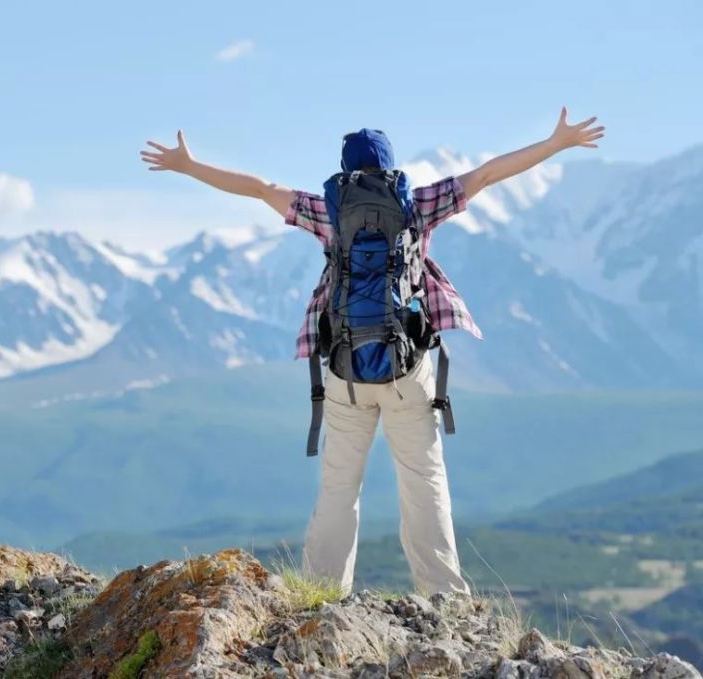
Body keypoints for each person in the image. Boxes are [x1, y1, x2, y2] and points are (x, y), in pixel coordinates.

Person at [139, 107, 605, 597]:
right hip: (408, 371)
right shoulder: (419, 206)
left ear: (344, 172)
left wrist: (189, 166)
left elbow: (259, 187)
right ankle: (443, 595)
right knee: (423, 482)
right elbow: (488, 173)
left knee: (340, 489)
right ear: (391, 169)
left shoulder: (326, 211)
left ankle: (320, 592)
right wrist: (556, 143)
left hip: (346, 376)